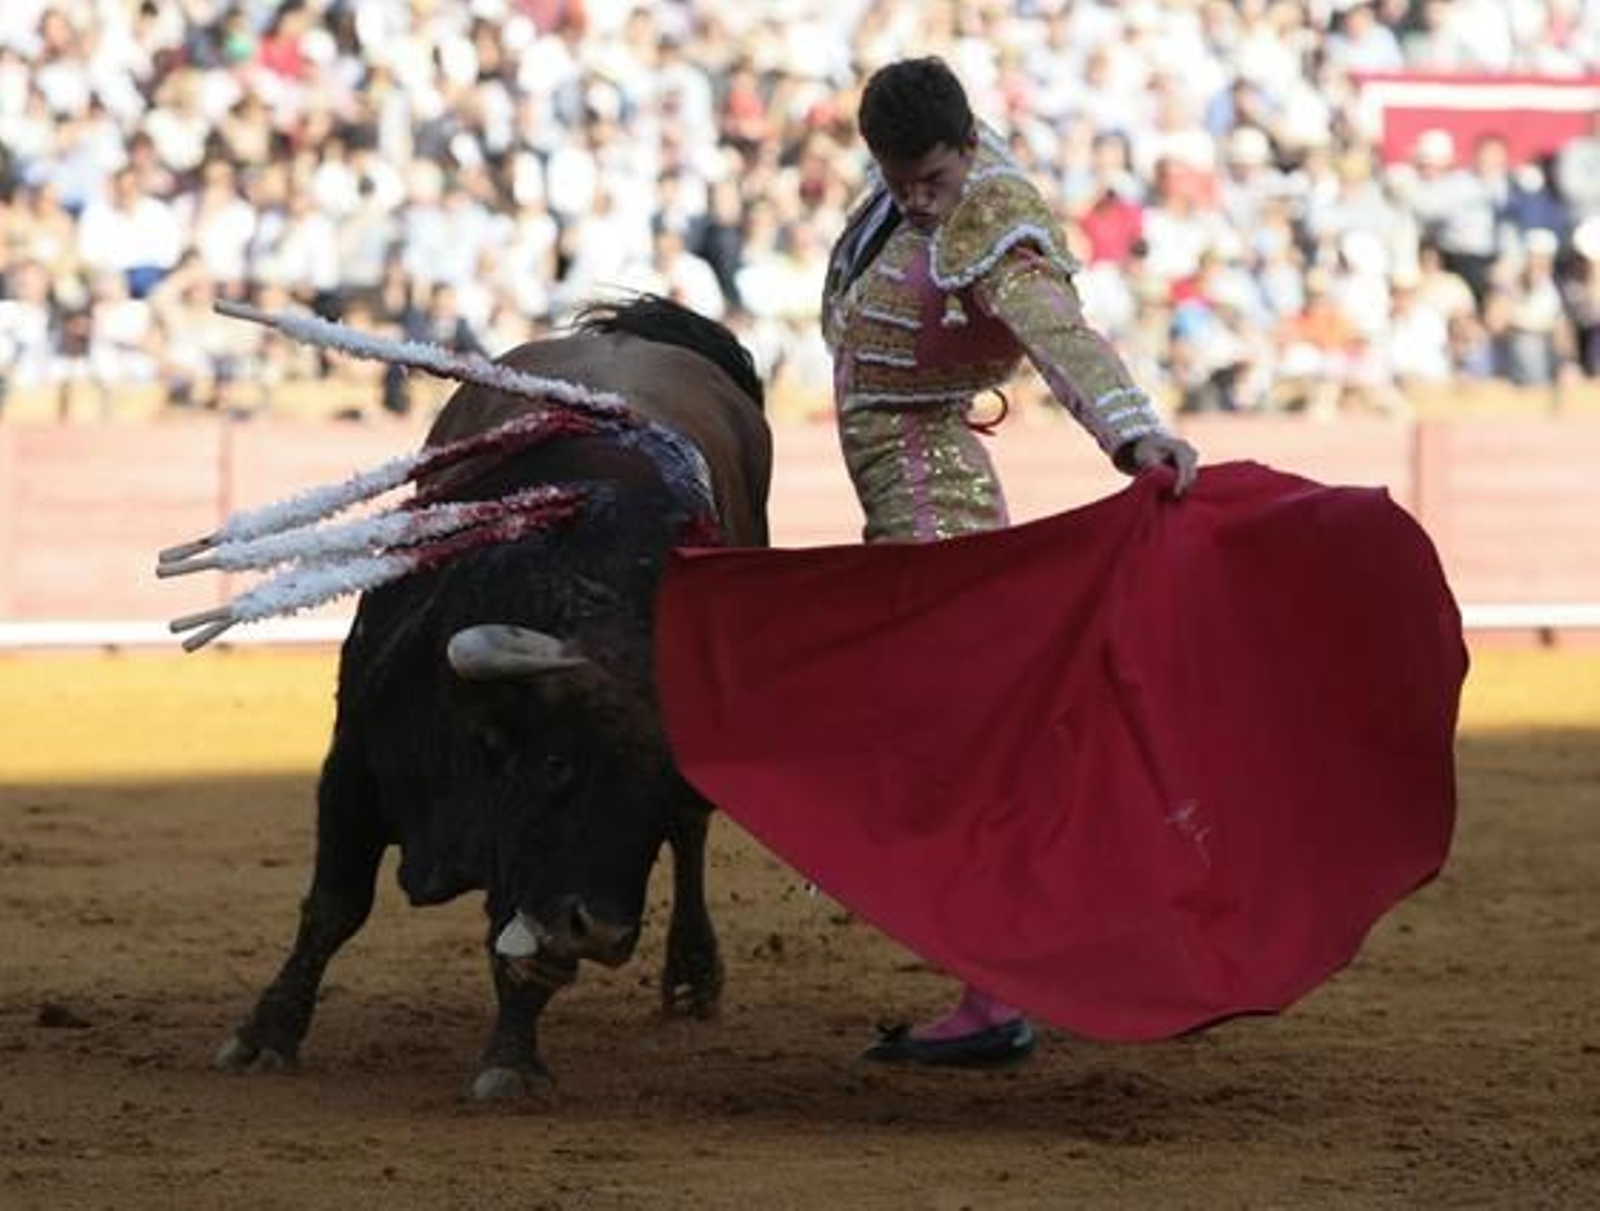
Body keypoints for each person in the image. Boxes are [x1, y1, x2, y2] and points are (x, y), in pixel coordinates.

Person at [818, 57, 1197, 1066]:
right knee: (955, 727)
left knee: (957, 734)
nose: (916, 201)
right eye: (898, 182)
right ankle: (1002, 971)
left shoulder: (992, 214)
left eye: (932, 180)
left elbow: (1054, 329)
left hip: (932, 482)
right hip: (908, 476)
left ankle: (1000, 986)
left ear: (969, 140)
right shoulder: (913, 176)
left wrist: (1131, 432)